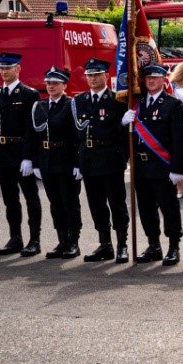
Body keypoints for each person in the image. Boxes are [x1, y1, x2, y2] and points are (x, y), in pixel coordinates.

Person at [122, 63, 183, 266]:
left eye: (155, 78)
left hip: (162, 166)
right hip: (140, 167)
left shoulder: (172, 104)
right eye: (148, 77)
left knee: (169, 208)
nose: (151, 81)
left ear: (163, 80)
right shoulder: (136, 103)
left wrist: (177, 169)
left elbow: (179, 140)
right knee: (146, 208)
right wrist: (123, 124)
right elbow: (130, 138)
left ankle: (173, 246)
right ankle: (153, 245)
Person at [0, 52, 43, 257]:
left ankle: (34, 239)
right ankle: (15, 238)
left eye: (8, 68)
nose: (4, 72)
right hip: (3, 154)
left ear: (18, 69)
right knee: (10, 200)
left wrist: (29, 158)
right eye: (1, 68)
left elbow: (31, 129)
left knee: (31, 198)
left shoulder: (29, 94)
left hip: (21, 154)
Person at [73, 57, 130, 263]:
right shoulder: (79, 101)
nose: (93, 78)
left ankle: (122, 245)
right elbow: (75, 135)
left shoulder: (117, 100)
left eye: (97, 75)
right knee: (96, 205)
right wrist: (76, 162)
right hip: (88, 159)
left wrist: (122, 156)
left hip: (110, 159)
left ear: (106, 76)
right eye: (90, 75)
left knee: (117, 204)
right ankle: (105, 244)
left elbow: (125, 137)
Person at [25, 67, 83, 259]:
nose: (51, 86)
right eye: (48, 83)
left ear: (64, 86)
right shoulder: (39, 106)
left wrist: (78, 163)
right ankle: (62, 241)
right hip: (46, 160)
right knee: (55, 203)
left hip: (65, 159)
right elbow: (33, 136)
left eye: (55, 83)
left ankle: (73, 242)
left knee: (70, 203)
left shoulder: (71, 105)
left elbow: (78, 136)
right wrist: (34, 162)